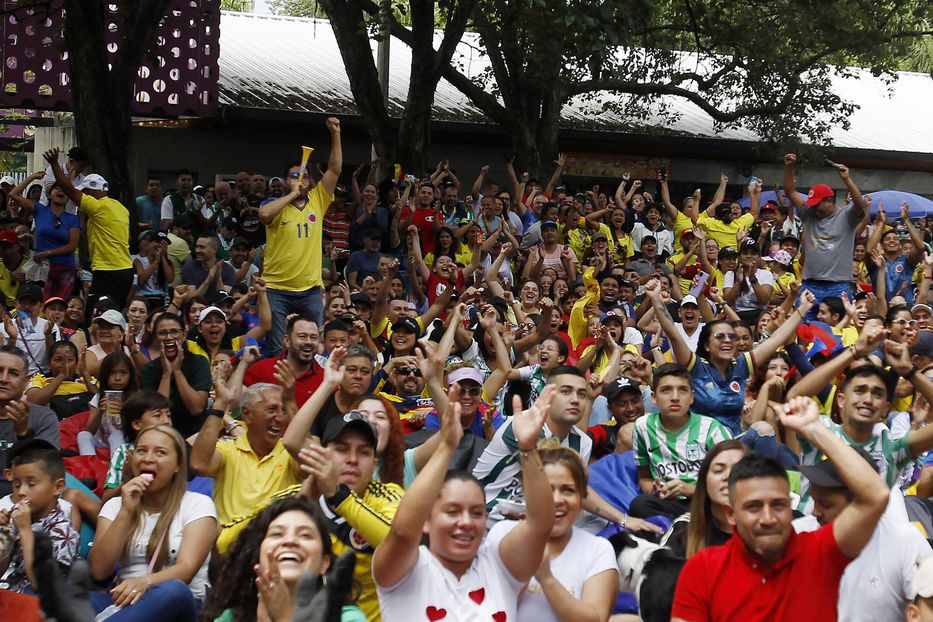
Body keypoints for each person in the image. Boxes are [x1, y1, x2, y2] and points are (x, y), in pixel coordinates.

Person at [671, 396, 890, 622]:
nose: (768, 518)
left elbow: (877, 494)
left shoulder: (820, 553)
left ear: (790, 506)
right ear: (731, 514)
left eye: (778, 505)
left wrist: (815, 430)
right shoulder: (702, 570)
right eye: (753, 507)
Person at [372, 386, 555, 621]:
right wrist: (447, 446)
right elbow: (401, 533)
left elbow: (540, 525)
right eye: (452, 511)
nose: (466, 522)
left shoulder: (500, 565)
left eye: (477, 513)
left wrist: (528, 450)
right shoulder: (405, 570)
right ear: (426, 519)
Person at [88, 425, 217, 621]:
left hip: (183, 603)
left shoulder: (197, 504)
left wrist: (144, 582)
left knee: (173, 590)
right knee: (55, 596)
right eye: (141, 451)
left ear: (177, 466)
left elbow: (186, 570)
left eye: (160, 452)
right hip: (125, 602)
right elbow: (99, 570)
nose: (148, 458)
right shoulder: (115, 506)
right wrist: (126, 511)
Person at [794, 446, 932, 621]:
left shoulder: (905, 541)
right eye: (814, 501)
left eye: (826, 505)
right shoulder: (800, 534)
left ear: (862, 504)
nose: (815, 512)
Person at [487, 441, 619, 622]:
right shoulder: (502, 534)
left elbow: (595, 619)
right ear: (528, 493)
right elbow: (487, 612)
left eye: (568, 490)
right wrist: (523, 572)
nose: (557, 500)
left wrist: (546, 577)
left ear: (581, 497)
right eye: (546, 489)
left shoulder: (598, 549)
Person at [299, 408, 403, 621]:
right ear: (323, 453)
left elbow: (398, 543)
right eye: (342, 449)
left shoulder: (389, 495)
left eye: (364, 452)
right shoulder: (299, 496)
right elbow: (230, 544)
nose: (353, 459)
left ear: (374, 463)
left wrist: (339, 496)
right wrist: (300, 504)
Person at [200, 496, 366, 622]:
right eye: (277, 534)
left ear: (325, 563)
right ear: (258, 555)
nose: (290, 541)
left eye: (305, 535)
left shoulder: (347, 618)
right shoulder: (231, 617)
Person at [189, 379, 303, 554]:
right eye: (271, 409)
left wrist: (291, 405)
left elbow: (309, 463)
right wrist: (220, 406)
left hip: (276, 549)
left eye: (283, 411)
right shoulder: (228, 449)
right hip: (229, 552)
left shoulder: (290, 452)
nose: (280, 417)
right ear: (246, 414)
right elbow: (198, 464)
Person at [260, 117, 342, 349]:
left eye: (303, 176)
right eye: (293, 176)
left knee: (312, 346)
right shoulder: (275, 203)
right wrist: (291, 194)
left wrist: (335, 134)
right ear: (285, 181)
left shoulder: (318, 199)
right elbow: (264, 215)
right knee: (277, 346)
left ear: (310, 181)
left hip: (310, 290)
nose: (299, 180)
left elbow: (335, 169)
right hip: (277, 288)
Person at [630, 364, 732, 519]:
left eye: (682, 390)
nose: (675, 397)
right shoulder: (643, 427)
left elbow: (734, 482)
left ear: (692, 397)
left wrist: (690, 489)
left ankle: (681, 531)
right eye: (666, 390)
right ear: (654, 397)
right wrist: (654, 489)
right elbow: (644, 477)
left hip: (704, 500)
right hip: (668, 503)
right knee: (639, 505)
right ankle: (681, 529)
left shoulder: (712, 429)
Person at [43, 148, 133, 322]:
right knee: (113, 316)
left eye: (84, 191)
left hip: (109, 271)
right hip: (125, 270)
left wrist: (55, 164)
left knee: (94, 316)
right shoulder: (121, 208)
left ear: (91, 192)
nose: (82, 195)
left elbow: (68, 190)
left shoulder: (97, 206)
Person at [782, 154, 869, 317]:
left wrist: (847, 179)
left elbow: (860, 204)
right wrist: (789, 167)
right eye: (812, 205)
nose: (814, 209)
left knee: (836, 332)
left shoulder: (846, 216)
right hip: (810, 283)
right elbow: (789, 191)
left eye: (817, 204)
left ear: (830, 200)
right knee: (804, 328)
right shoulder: (808, 213)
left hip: (838, 286)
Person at [0, 438, 78, 593]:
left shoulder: (63, 531)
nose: (21, 491)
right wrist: (5, 535)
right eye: (16, 485)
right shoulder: (20, 521)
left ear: (58, 487)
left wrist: (25, 531)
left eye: (31, 484)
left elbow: (42, 585)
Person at [6, 171, 80, 300]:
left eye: (64, 190)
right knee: (40, 303)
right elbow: (13, 194)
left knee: (58, 305)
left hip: (64, 268)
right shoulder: (39, 210)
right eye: (57, 188)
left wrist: (47, 253)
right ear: (49, 195)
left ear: (68, 198)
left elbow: (72, 246)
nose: (60, 191)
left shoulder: (72, 219)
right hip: (41, 267)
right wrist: (33, 177)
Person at [139, 313, 211, 438]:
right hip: (161, 435)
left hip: (196, 436)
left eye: (174, 332)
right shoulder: (149, 370)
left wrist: (177, 371)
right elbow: (156, 414)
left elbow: (196, 408)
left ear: (183, 335)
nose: (169, 337)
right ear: (155, 338)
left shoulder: (199, 362)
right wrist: (166, 374)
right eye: (162, 333)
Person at [0, 347, 59, 498]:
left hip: (24, 499)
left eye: (13, 373)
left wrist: (23, 434)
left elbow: (45, 474)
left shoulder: (44, 418)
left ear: (25, 382)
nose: (4, 379)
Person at [683, 439, 749, 558]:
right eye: (718, 471)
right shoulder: (683, 530)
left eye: (738, 470)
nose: (728, 476)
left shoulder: (772, 525)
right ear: (705, 481)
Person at [243, 314, 324, 407]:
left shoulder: (325, 380)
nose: (308, 342)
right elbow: (234, 404)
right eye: (302, 336)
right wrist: (243, 364)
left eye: (313, 337)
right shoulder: (261, 370)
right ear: (287, 341)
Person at [78, 350, 137, 457]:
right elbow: (90, 430)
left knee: (116, 434)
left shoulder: (136, 398)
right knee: (83, 435)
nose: (118, 378)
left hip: (128, 444)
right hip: (102, 443)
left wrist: (125, 412)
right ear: (105, 375)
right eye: (112, 373)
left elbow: (139, 430)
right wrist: (100, 411)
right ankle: (88, 467)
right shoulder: (99, 397)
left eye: (123, 373)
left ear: (130, 375)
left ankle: (116, 468)